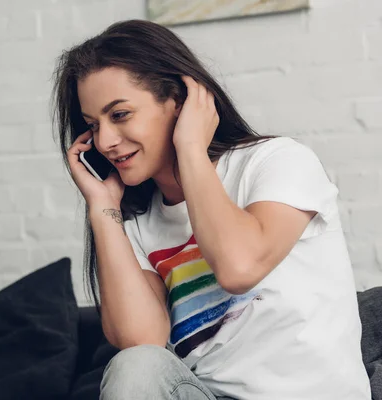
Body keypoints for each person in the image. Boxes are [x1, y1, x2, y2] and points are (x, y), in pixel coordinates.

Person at [50, 19, 371, 400]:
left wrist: (190, 149)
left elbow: (239, 268)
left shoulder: (276, 163)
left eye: (119, 115)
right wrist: (102, 209)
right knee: (136, 366)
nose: (104, 141)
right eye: (92, 125)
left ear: (179, 102)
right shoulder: (136, 223)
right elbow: (140, 344)